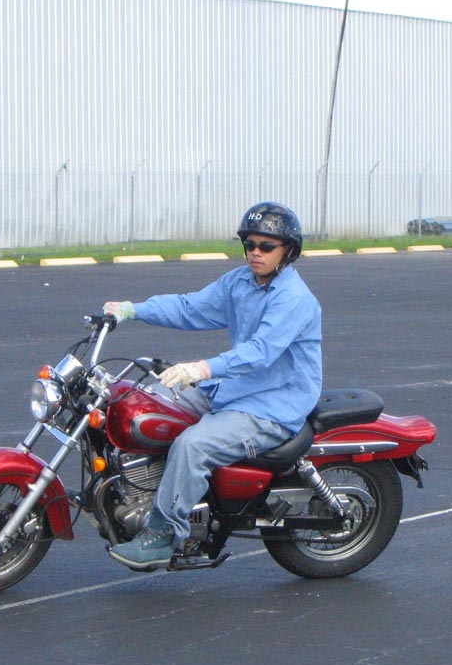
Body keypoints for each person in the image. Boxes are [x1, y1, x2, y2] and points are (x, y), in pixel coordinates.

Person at [102, 201, 323, 570]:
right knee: (147, 403)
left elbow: (260, 353)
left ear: (288, 251)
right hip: (234, 388)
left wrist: (202, 368)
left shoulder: (294, 299)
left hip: (272, 405)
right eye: (249, 245)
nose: (255, 253)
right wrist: (133, 310)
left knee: (192, 445)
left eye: (266, 246)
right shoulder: (240, 282)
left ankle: (163, 535)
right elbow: (190, 308)